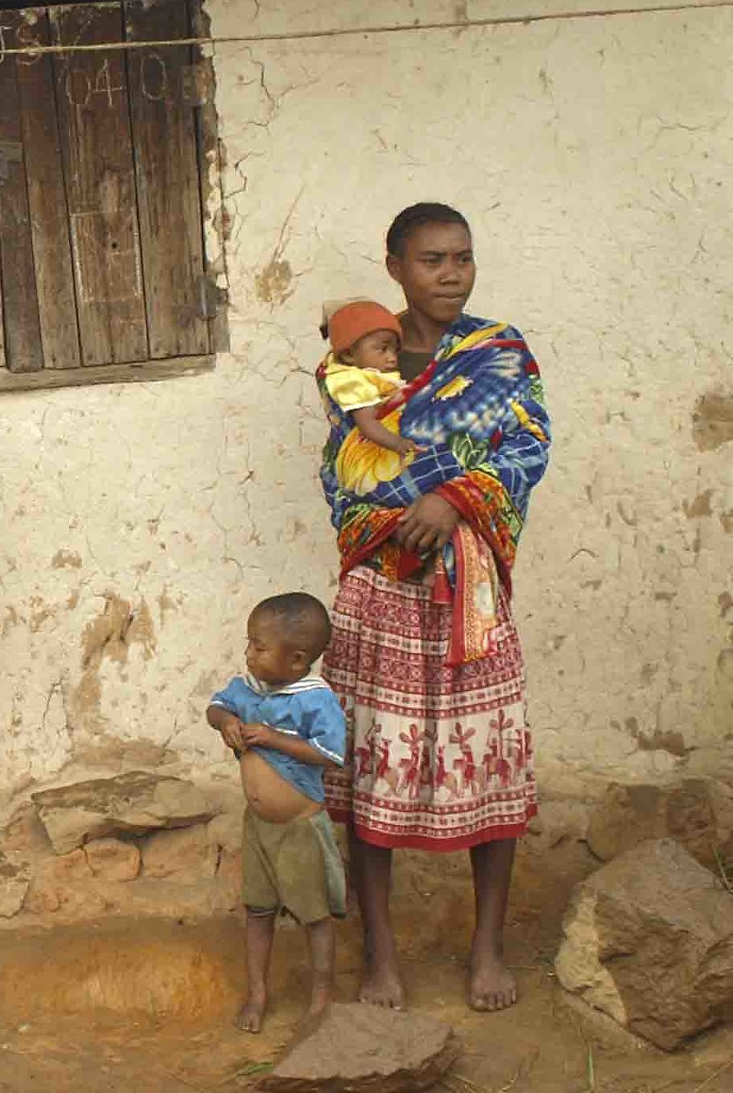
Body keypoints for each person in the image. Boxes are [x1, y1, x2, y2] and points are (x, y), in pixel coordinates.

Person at [320, 203, 550, 1011]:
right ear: (395, 267)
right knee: (372, 767)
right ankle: (379, 952)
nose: (451, 273)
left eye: (462, 257)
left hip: (470, 589)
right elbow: (347, 465)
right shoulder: (356, 363)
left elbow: (528, 446)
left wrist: (454, 501)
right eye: (431, 260)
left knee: (490, 760)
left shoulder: (498, 352)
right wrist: (397, 526)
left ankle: (487, 946)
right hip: (383, 586)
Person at [206, 593, 349, 1033]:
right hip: (259, 830)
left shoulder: (315, 700)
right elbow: (216, 706)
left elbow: (330, 754)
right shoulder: (248, 689)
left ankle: (322, 996)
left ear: (297, 659)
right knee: (258, 910)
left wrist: (272, 737)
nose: (249, 653)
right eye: (250, 643)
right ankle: (258, 993)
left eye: (259, 647)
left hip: (299, 830)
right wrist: (225, 723)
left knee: (314, 914)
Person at [320, 298, 415, 465]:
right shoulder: (352, 382)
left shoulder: (370, 374)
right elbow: (367, 423)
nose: (392, 358)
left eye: (395, 350)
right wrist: (398, 444)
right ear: (349, 354)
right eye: (383, 349)